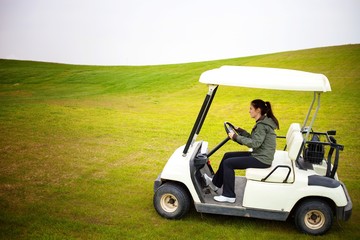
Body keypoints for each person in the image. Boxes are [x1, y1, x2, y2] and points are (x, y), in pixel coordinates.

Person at [203, 99, 280, 203]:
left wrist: (235, 137)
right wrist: (240, 131)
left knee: (228, 163)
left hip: (262, 159)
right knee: (227, 156)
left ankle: (229, 195)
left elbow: (255, 143)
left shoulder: (262, 125)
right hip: (259, 154)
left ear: (258, 110)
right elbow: (254, 139)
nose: (249, 111)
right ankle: (216, 183)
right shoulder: (263, 122)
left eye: (251, 108)